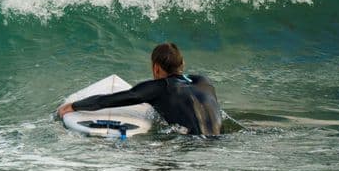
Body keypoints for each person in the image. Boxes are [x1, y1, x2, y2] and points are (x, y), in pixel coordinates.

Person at [56, 42, 221, 136]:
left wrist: (73, 106)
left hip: (193, 147)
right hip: (218, 142)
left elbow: (111, 100)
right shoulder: (204, 82)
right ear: (182, 64)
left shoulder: (159, 88)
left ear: (156, 68)